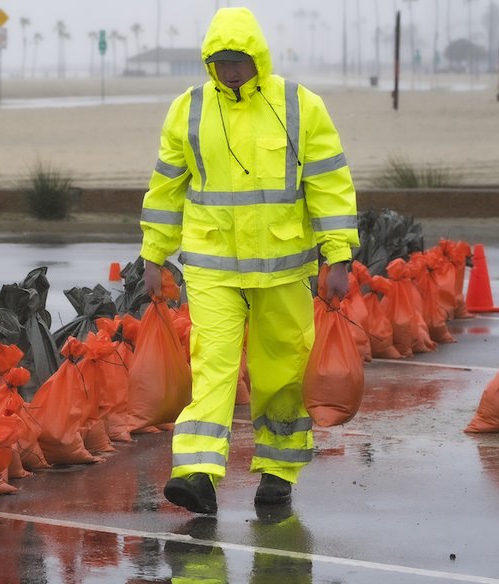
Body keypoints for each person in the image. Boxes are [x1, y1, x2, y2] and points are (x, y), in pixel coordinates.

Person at [139, 7, 358, 514]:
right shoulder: (188, 108)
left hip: (284, 268)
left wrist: (339, 255)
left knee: (280, 371)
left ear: (257, 57)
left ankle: (278, 472)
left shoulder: (300, 105)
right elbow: (166, 187)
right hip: (213, 265)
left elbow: (328, 183)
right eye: (221, 61)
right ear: (208, 62)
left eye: (239, 60)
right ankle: (196, 473)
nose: (231, 69)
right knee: (211, 367)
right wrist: (154, 253)